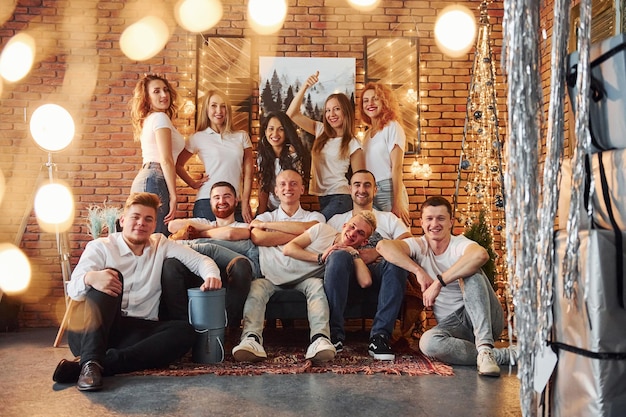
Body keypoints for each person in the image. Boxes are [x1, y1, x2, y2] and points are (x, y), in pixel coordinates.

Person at [52, 192, 222, 391]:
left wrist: (212, 276)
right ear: (123, 220)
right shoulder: (100, 247)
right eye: (135, 217)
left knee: (184, 332)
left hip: (135, 331)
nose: (141, 223)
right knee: (109, 276)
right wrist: (90, 278)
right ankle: (90, 360)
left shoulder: (161, 244)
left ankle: (94, 365)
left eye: (148, 219)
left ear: (154, 224)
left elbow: (201, 260)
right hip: (91, 331)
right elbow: (73, 291)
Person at [376, 196, 516, 377]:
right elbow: (383, 246)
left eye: (441, 218)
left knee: (471, 271)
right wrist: (418, 271)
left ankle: (486, 347)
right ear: (422, 222)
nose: (435, 223)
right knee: (427, 343)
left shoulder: (459, 244)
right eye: (429, 218)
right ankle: (498, 355)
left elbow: (480, 255)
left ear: (450, 222)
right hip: (453, 327)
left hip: (487, 318)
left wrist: (439, 282)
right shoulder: (419, 246)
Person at [230, 169, 332, 363]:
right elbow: (258, 237)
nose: (288, 188)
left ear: (302, 189)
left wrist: (274, 234)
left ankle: (320, 339)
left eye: (293, 183)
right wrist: (301, 234)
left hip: (306, 277)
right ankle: (251, 339)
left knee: (318, 288)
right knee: (256, 288)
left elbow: (312, 227)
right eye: (283, 184)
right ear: (275, 191)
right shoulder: (265, 218)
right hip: (271, 277)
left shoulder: (317, 217)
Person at [325, 170, 412, 360]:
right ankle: (334, 335)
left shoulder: (389, 219)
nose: (361, 189)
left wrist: (376, 252)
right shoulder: (337, 220)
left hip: (380, 275)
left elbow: (410, 244)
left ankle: (380, 337)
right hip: (346, 275)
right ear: (350, 189)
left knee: (396, 262)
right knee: (338, 256)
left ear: (375, 190)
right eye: (357, 184)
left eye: (367, 185)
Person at [163, 181, 258, 326]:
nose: (221, 201)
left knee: (241, 264)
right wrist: (211, 227)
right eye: (216, 197)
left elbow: (230, 233)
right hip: (199, 273)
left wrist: (201, 234)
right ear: (210, 201)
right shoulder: (203, 221)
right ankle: (181, 325)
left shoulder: (244, 226)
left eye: (227, 196)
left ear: (236, 200)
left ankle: (228, 326)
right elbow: (172, 225)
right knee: (170, 264)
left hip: (232, 276)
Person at [287, 71, 365, 220]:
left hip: (341, 197)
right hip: (322, 197)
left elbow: (360, 178)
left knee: (313, 228)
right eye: (328, 110)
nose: (331, 114)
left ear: (346, 112)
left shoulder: (352, 143)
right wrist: (305, 86)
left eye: (336, 109)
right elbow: (291, 114)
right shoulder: (320, 130)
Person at [176, 90, 254, 223]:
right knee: (206, 242)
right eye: (214, 105)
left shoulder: (241, 136)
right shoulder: (198, 138)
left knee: (238, 242)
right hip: (207, 201)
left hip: (235, 201)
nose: (219, 110)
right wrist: (193, 183)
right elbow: (178, 165)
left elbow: (249, 172)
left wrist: (245, 201)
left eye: (223, 106)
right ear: (206, 109)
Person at [129, 74, 191, 235]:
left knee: (147, 240)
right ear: (147, 98)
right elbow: (166, 159)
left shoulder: (152, 118)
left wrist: (193, 183)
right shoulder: (160, 118)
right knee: (154, 240)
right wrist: (174, 196)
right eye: (156, 91)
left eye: (165, 90)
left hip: (149, 178)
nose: (164, 95)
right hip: (155, 179)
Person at [360, 82, 410, 225]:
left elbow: (397, 167)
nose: (370, 103)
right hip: (370, 191)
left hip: (388, 189)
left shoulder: (392, 126)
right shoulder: (367, 134)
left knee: (398, 234)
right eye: (366, 100)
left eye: (375, 99)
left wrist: (397, 202)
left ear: (385, 101)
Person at [256, 110, 310, 215]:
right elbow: (263, 187)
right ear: (265, 131)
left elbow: (295, 188)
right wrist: (260, 215)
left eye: (281, 129)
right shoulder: (262, 155)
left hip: (290, 209)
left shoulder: (293, 154)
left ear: (287, 132)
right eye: (271, 129)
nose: (275, 134)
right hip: (270, 209)